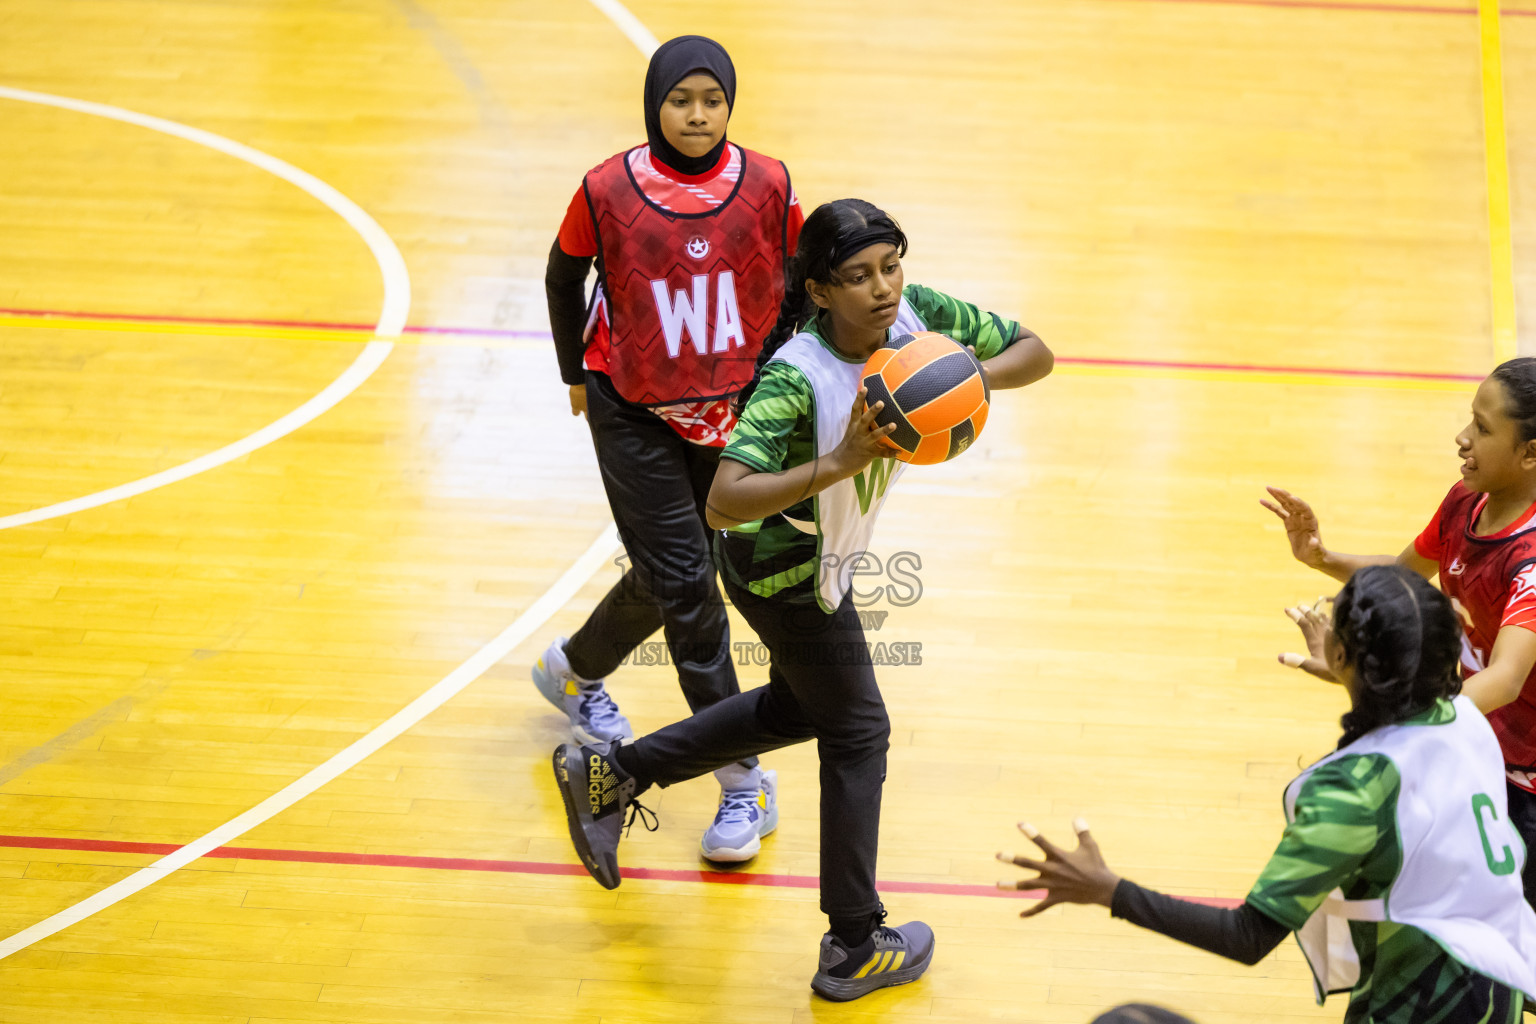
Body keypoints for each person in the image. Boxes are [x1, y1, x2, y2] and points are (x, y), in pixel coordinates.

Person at [551, 198, 1053, 1000]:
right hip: (780, 570)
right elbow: (723, 499)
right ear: (820, 291)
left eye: (891, 266)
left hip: (827, 558)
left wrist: (958, 379)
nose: (883, 289)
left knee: (800, 709)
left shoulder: (918, 322)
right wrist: (842, 458)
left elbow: (1036, 351)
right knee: (859, 732)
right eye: (858, 277)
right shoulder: (798, 378)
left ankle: (612, 775)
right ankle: (854, 940)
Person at [999, 566, 1536, 1023]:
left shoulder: (1352, 791)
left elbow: (1247, 937)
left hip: (1423, 1003)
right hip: (1498, 980)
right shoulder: (1465, 718)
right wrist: (1356, 677)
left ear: (1344, 653)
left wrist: (1109, 890)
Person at [533, 35, 803, 863]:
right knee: (693, 589)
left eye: (711, 100)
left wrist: (780, 370)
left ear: (729, 104)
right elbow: (561, 274)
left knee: (666, 572)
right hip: (634, 407)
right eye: (680, 100)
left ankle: (574, 670)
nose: (696, 115)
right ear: (655, 103)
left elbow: (794, 276)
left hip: (728, 404)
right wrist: (576, 373)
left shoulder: (768, 181)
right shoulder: (607, 186)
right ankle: (743, 783)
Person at [1261, 358, 1536, 907]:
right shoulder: (1467, 501)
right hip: (1472, 735)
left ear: (1530, 454)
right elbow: (1404, 572)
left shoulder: (1530, 557)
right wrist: (1322, 557)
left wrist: (1396, 718)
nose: (1463, 439)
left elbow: (1505, 679)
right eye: (1469, 421)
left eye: (1482, 430)